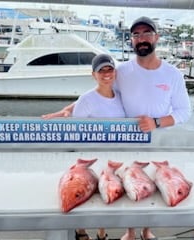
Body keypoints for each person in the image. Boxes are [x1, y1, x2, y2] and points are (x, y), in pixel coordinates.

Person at [42, 16, 191, 240]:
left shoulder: (173, 74)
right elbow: (100, 90)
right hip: (127, 140)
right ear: (131, 40)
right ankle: (130, 232)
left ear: (156, 37)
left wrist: (156, 122)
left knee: (155, 187)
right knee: (132, 184)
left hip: (157, 140)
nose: (141, 39)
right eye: (136, 35)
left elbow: (183, 112)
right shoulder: (122, 71)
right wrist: (68, 110)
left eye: (147, 34)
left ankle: (147, 231)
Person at [72, 53, 125, 240]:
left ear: (115, 72)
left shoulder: (121, 97)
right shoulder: (85, 100)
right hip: (90, 157)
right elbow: (74, 131)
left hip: (113, 156)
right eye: (101, 70)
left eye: (109, 69)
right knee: (85, 194)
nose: (106, 74)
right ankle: (81, 231)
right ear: (93, 74)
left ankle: (102, 234)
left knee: (107, 195)